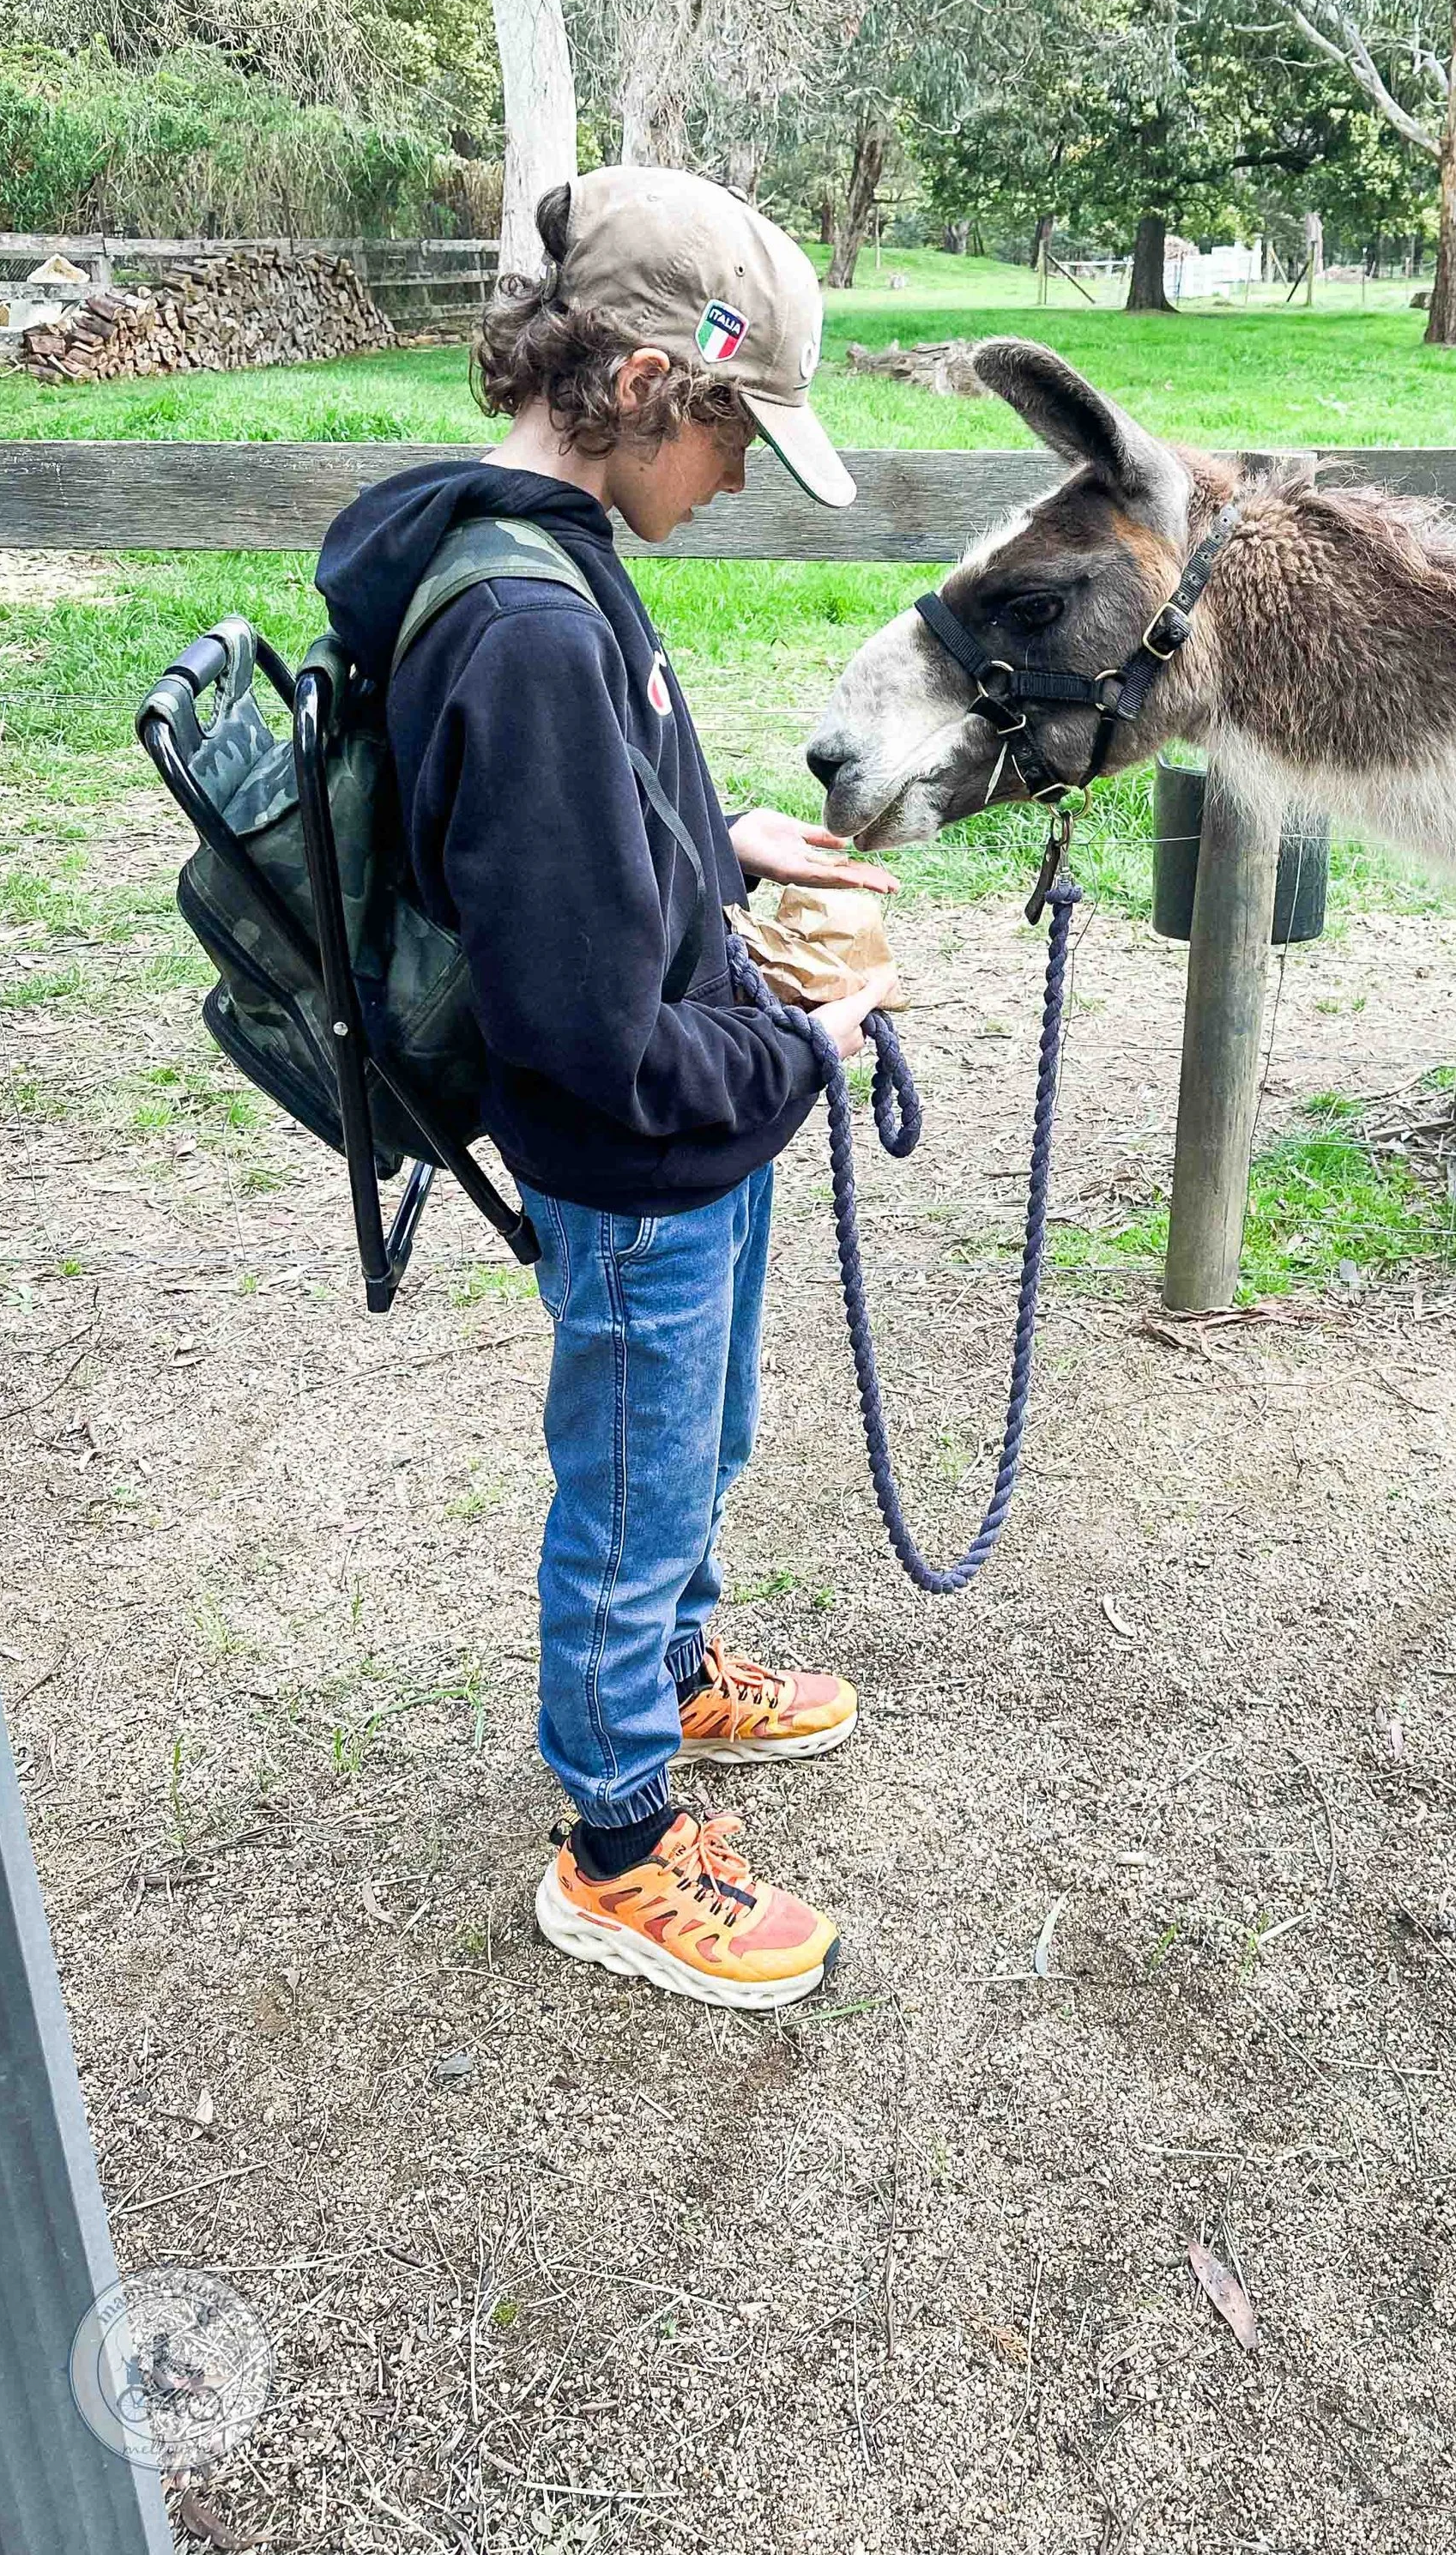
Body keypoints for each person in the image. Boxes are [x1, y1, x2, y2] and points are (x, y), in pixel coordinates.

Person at [316, 166, 896, 2009]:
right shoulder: (533, 626)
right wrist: (806, 1040)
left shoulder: (552, 569)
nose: (732, 481)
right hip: (639, 1154)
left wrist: (713, 841)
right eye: (733, 433)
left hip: (686, 1139)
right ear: (650, 385)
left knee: (695, 1446)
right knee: (635, 1490)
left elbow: (560, 859)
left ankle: (677, 1669)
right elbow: (586, 1031)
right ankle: (617, 1844)